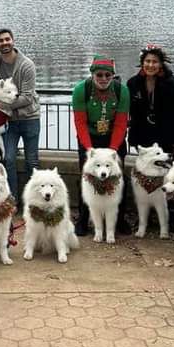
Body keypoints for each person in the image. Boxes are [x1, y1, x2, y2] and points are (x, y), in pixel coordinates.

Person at [71, 56, 133, 236]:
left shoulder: (122, 91)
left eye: (108, 75)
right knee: (86, 176)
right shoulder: (80, 90)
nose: (104, 78)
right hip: (89, 137)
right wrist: (90, 150)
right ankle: (83, 219)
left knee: (119, 178)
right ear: (92, 74)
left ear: (113, 76)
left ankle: (120, 220)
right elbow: (80, 123)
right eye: (99, 74)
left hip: (114, 137)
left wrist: (113, 150)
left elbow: (121, 123)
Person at [0, 28, 40, 200]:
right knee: (8, 160)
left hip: (30, 118)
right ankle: (12, 199)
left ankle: (32, 200)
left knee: (32, 162)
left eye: (7, 39)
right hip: (8, 122)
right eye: (0, 40)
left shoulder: (26, 65)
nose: (4, 43)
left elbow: (27, 98)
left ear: (13, 40)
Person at [126, 44, 174, 161]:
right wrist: (132, 137)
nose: (150, 65)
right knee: (146, 167)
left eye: (155, 62)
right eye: (147, 61)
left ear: (161, 64)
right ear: (142, 63)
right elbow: (132, 112)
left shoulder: (171, 84)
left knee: (165, 169)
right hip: (142, 135)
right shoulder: (133, 83)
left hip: (166, 135)